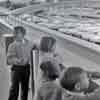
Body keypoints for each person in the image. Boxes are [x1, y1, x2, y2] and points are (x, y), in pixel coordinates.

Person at [7, 26, 34, 100]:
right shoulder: (12, 45)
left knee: (25, 89)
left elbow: (37, 46)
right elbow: (9, 59)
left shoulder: (30, 43)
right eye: (14, 33)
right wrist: (17, 60)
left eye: (16, 33)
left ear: (23, 34)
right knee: (14, 89)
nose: (14, 34)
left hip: (26, 68)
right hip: (16, 69)